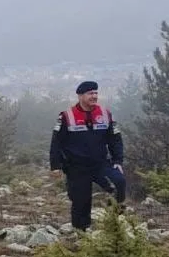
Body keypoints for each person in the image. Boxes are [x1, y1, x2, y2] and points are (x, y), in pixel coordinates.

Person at [49, 80, 127, 230]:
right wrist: (56, 166)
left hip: (101, 164)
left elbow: (115, 139)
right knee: (81, 202)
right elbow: (56, 142)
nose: (94, 96)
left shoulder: (105, 114)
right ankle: (81, 234)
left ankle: (115, 224)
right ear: (80, 96)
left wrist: (118, 160)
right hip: (76, 167)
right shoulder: (67, 116)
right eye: (90, 93)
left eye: (96, 93)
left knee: (119, 183)